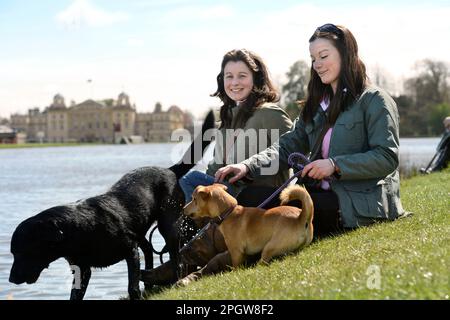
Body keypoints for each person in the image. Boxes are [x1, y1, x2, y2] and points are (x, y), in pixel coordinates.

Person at [216, 24, 406, 233]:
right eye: (313, 58)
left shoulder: (374, 100)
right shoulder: (317, 105)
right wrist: (247, 167)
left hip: (356, 206)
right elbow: (287, 146)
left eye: (323, 56)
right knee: (248, 198)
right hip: (317, 196)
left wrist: (335, 165)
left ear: (346, 53)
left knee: (269, 210)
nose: (317, 64)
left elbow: (387, 157)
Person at [179, 49, 293, 202]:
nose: (234, 82)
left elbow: (292, 152)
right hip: (230, 195)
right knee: (180, 181)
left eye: (242, 76)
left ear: (256, 79)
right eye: (229, 76)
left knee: (189, 178)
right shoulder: (227, 119)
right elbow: (215, 169)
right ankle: (194, 223)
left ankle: (196, 224)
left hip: (263, 198)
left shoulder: (270, 114)